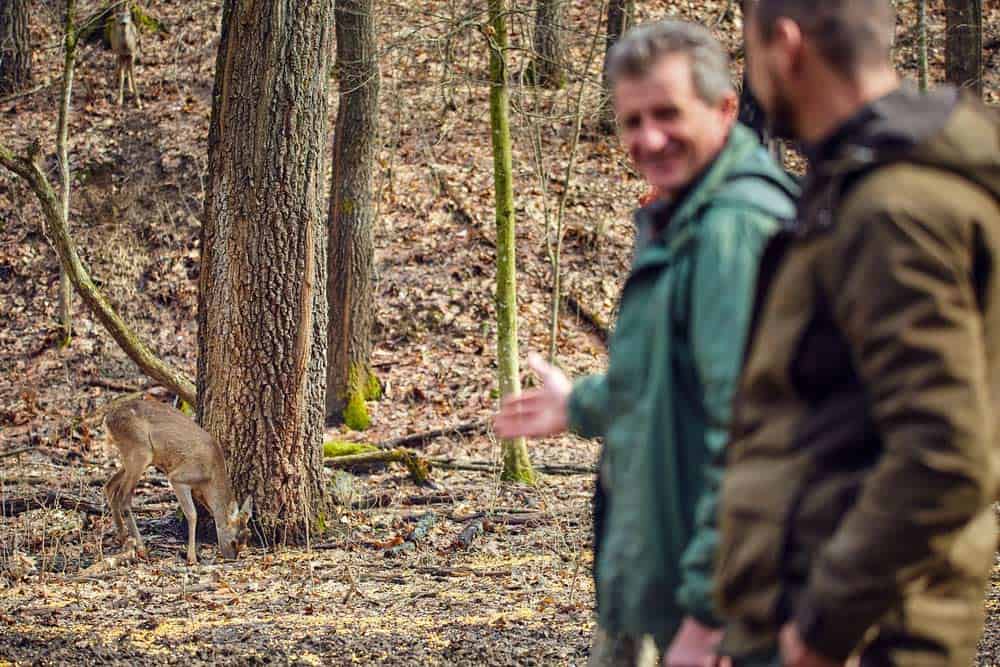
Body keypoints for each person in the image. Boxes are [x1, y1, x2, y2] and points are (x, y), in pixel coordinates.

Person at [492, 20, 798, 666]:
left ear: (722, 109)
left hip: (733, 610)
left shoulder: (733, 230)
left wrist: (709, 617)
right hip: (682, 584)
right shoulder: (686, 218)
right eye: (632, 121)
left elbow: (754, 432)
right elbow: (670, 377)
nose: (647, 138)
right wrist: (579, 404)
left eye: (667, 114)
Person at [714, 1, 1000, 666]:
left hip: (867, 639)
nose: (750, 78)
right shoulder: (854, 187)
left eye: (748, 53)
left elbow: (946, 453)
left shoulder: (894, 209)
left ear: (785, 46)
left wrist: (818, 629)